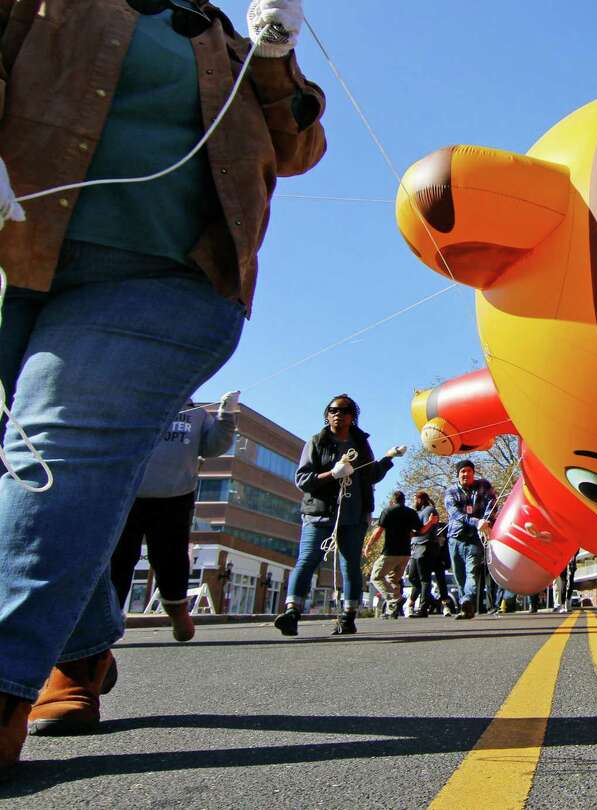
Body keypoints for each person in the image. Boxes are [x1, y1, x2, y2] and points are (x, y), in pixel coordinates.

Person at [0, 0, 325, 768]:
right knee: (49, 465)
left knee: (61, 451)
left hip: (166, 282)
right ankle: (79, 654)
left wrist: (273, 50)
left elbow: (300, 144)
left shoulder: (222, 36)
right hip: (25, 266)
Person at [110, 392, 239, 643]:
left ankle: (178, 615)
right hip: (128, 494)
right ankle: (109, 620)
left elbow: (213, 447)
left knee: (171, 560)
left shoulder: (197, 415)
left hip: (175, 497)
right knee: (119, 558)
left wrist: (226, 416)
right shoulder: (136, 405)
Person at [274, 395, 403, 637]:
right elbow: (303, 480)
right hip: (320, 514)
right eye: (333, 410)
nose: (337, 414)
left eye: (344, 410)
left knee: (350, 565)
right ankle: (292, 612)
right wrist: (332, 474)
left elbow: (370, 475)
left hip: (354, 516)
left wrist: (388, 459)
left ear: (352, 416)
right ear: (327, 414)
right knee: (308, 559)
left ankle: (348, 617)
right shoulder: (316, 442)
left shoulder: (360, 444)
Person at [444, 459, 495, 620]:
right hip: (455, 539)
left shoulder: (484, 486)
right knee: (459, 576)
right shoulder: (451, 492)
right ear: (458, 474)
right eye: (462, 472)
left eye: (469, 471)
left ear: (474, 473)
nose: (466, 474)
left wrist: (486, 521)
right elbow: (456, 514)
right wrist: (476, 521)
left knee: (472, 573)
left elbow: (492, 502)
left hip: (474, 539)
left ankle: (467, 600)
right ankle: (466, 607)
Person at [366, 491, 422, 619]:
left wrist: (369, 545)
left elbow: (379, 531)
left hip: (390, 552)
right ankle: (392, 611)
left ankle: (394, 598)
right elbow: (419, 530)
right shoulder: (411, 513)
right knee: (393, 580)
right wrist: (429, 523)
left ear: (393, 500)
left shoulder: (388, 511)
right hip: (405, 553)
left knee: (376, 576)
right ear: (404, 500)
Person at [409, 491, 442, 615]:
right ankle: (432, 600)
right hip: (415, 546)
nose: (413, 502)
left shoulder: (430, 510)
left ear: (420, 499)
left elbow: (425, 529)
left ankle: (423, 607)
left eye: (414, 499)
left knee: (424, 577)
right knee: (412, 576)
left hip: (426, 545)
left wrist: (415, 532)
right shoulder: (417, 512)